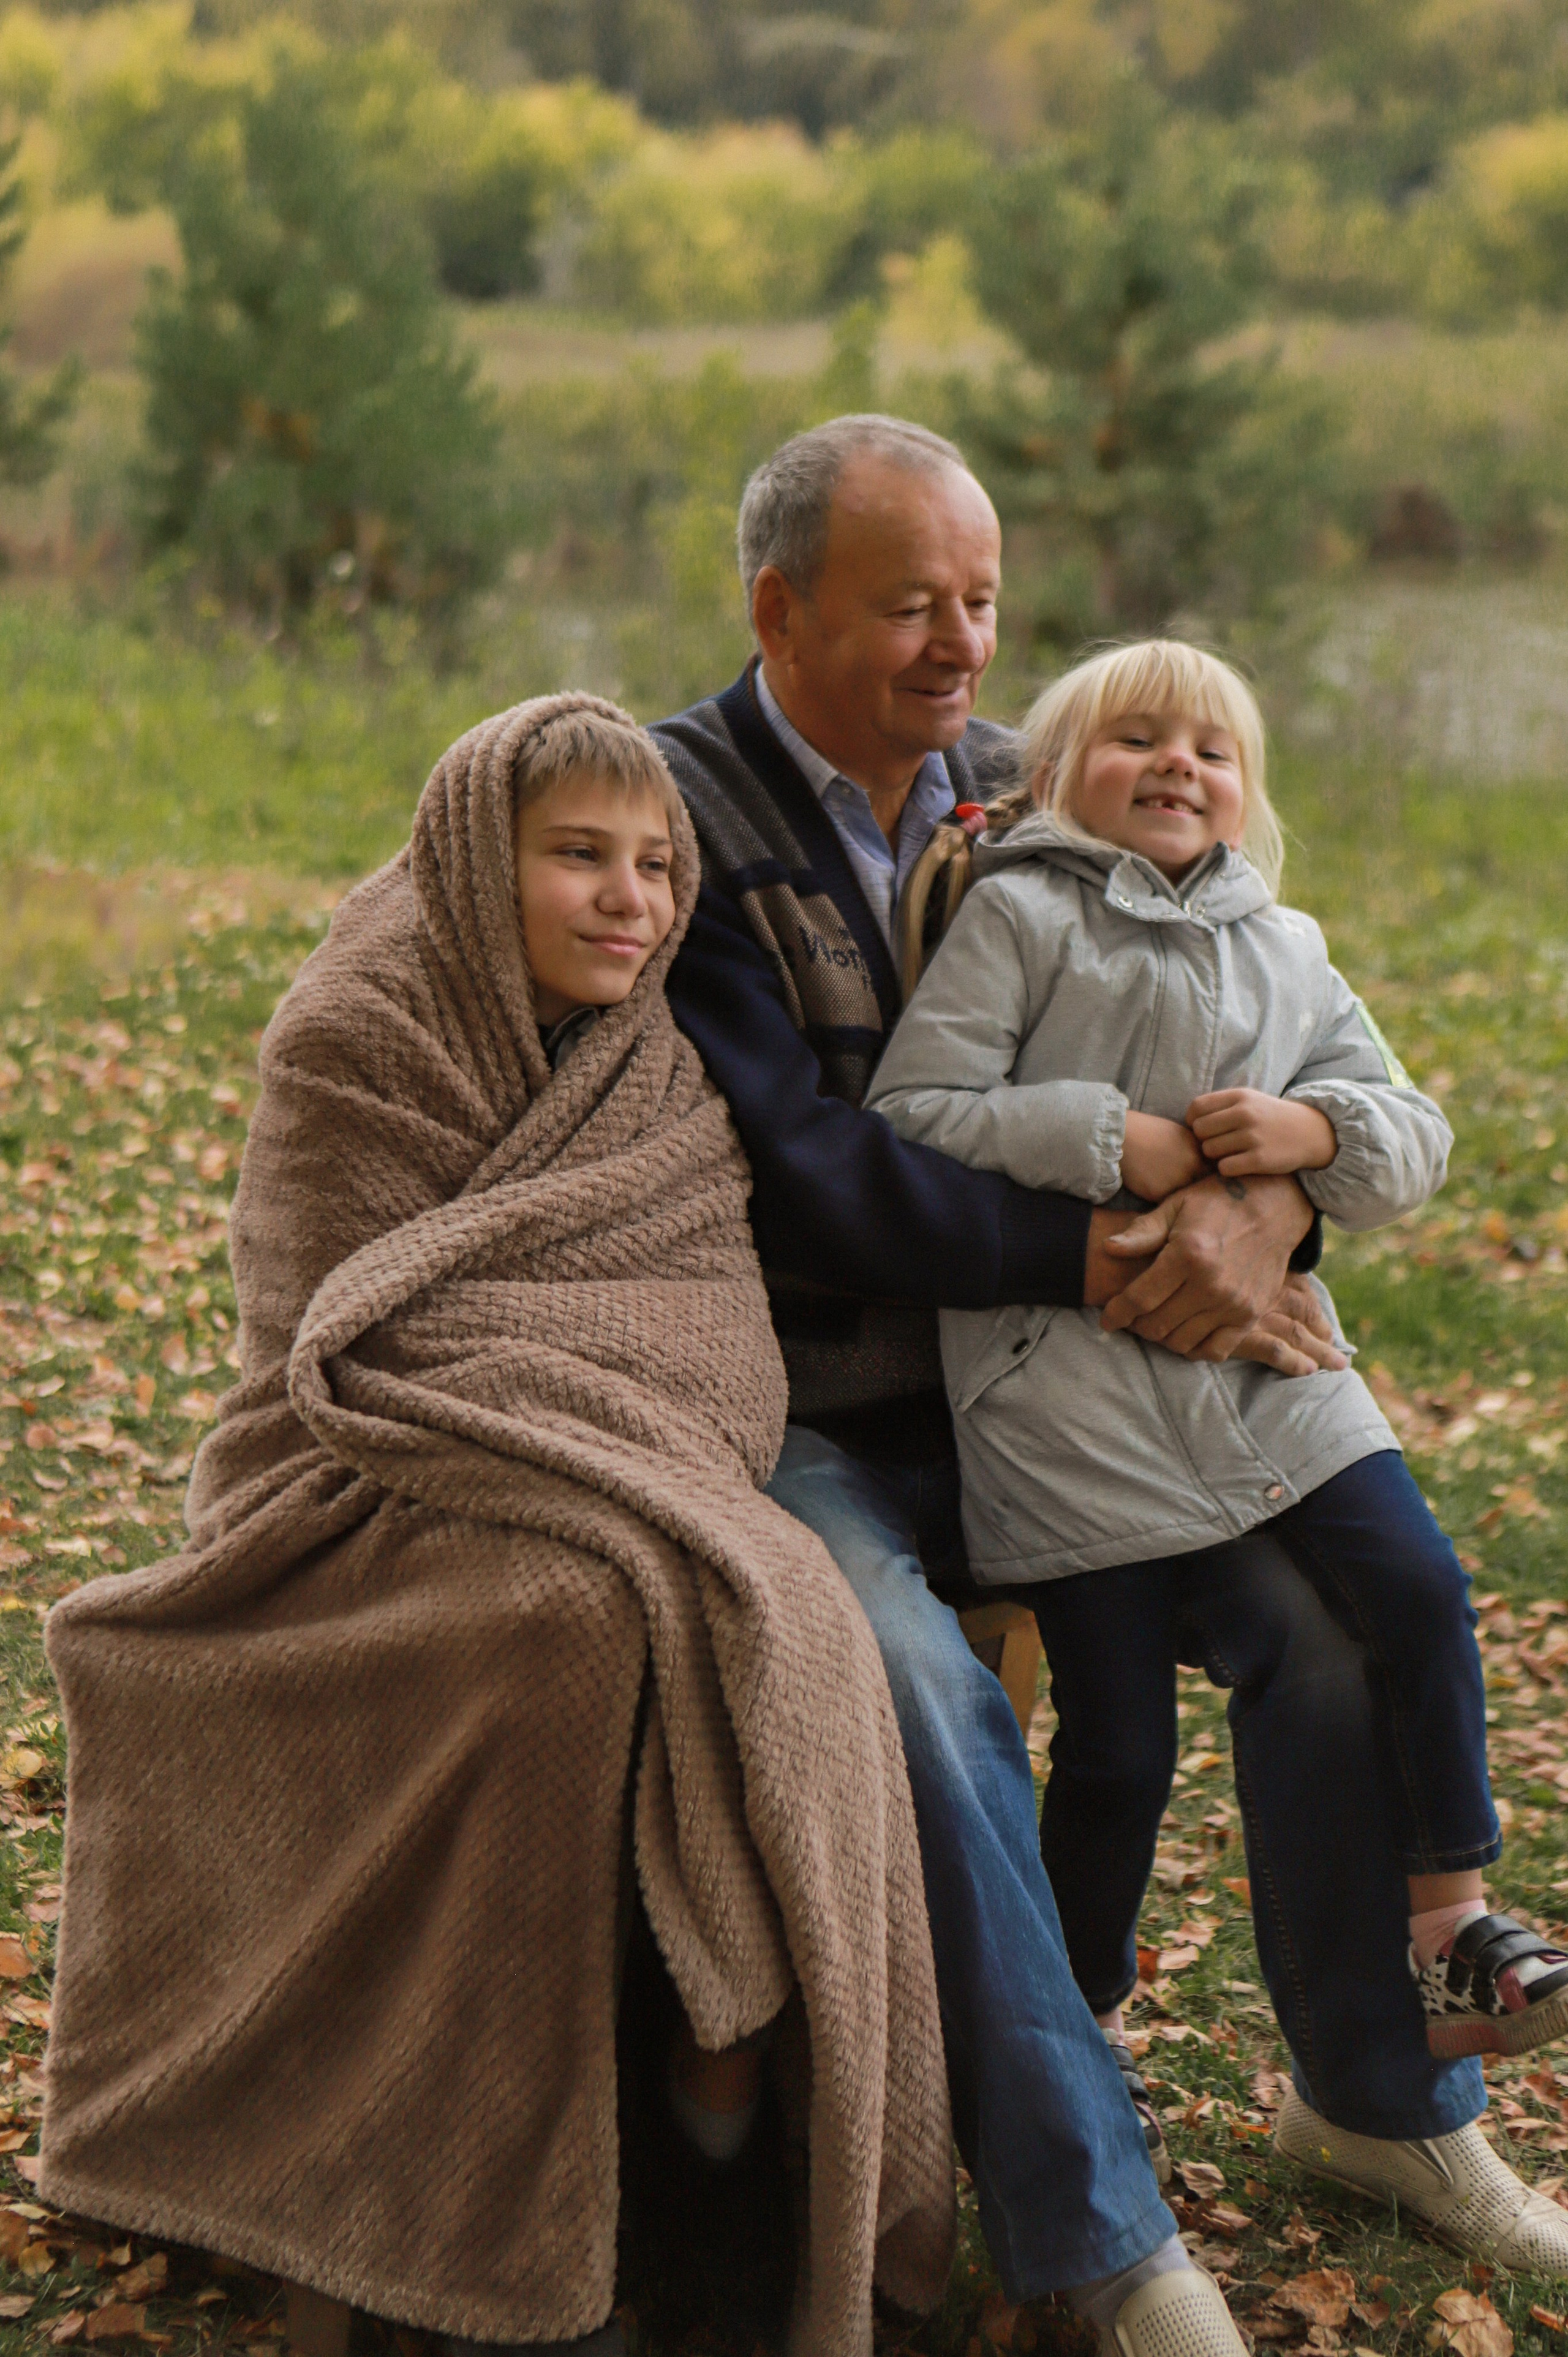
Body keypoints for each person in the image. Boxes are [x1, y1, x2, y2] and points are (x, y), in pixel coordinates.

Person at [651, 413, 1568, 2306]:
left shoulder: (1041, 783)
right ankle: (1094, 2235)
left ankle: (1377, 2097)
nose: (959, 647)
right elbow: (813, 1178)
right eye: (909, 605)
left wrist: (1275, 1213)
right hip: (813, 1403)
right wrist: (1115, 1239)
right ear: (778, 605)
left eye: (979, 603)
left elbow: (1264, 1042)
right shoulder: (688, 822)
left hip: (1082, 1397)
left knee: (1328, 1642)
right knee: (928, 1688)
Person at [40, 696, 956, 2357]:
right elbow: (326, 1335)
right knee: (564, 1623)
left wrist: (590, 1422)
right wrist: (551, 1411)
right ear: (482, 861)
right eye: (582, 858)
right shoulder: (358, 1032)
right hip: (355, 1480)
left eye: (661, 865)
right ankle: (482, 2211)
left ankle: (707, 2138)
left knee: (721, 1609)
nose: (633, 900)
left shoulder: (654, 1060)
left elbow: (708, 1332)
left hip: (609, 1471)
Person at [867, 635, 1568, 2082]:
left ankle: (1448, 1921)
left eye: (1211, 750)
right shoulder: (1018, 919)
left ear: (1245, 798)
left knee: (1422, 1589)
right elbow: (914, 1110)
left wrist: (1314, 1143)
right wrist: (1099, 1136)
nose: (1176, 765)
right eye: (1134, 740)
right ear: (1054, 780)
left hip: (1264, 1378)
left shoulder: (1285, 943)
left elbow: (1408, 1127)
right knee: (1118, 1744)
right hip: (1062, 1399)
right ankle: (1082, 2015)